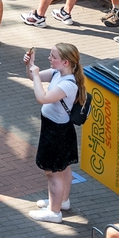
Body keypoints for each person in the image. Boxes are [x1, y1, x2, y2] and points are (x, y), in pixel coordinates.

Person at [25, 42, 84, 222]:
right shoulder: (57, 73)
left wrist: (36, 74)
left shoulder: (68, 84)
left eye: (53, 56)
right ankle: (62, 201)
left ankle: (54, 212)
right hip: (58, 129)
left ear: (66, 62)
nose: (49, 58)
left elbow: (42, 98)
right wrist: (30, 65)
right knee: (63, 167)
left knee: (52, 172)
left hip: (56, 132)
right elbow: (32, 77)